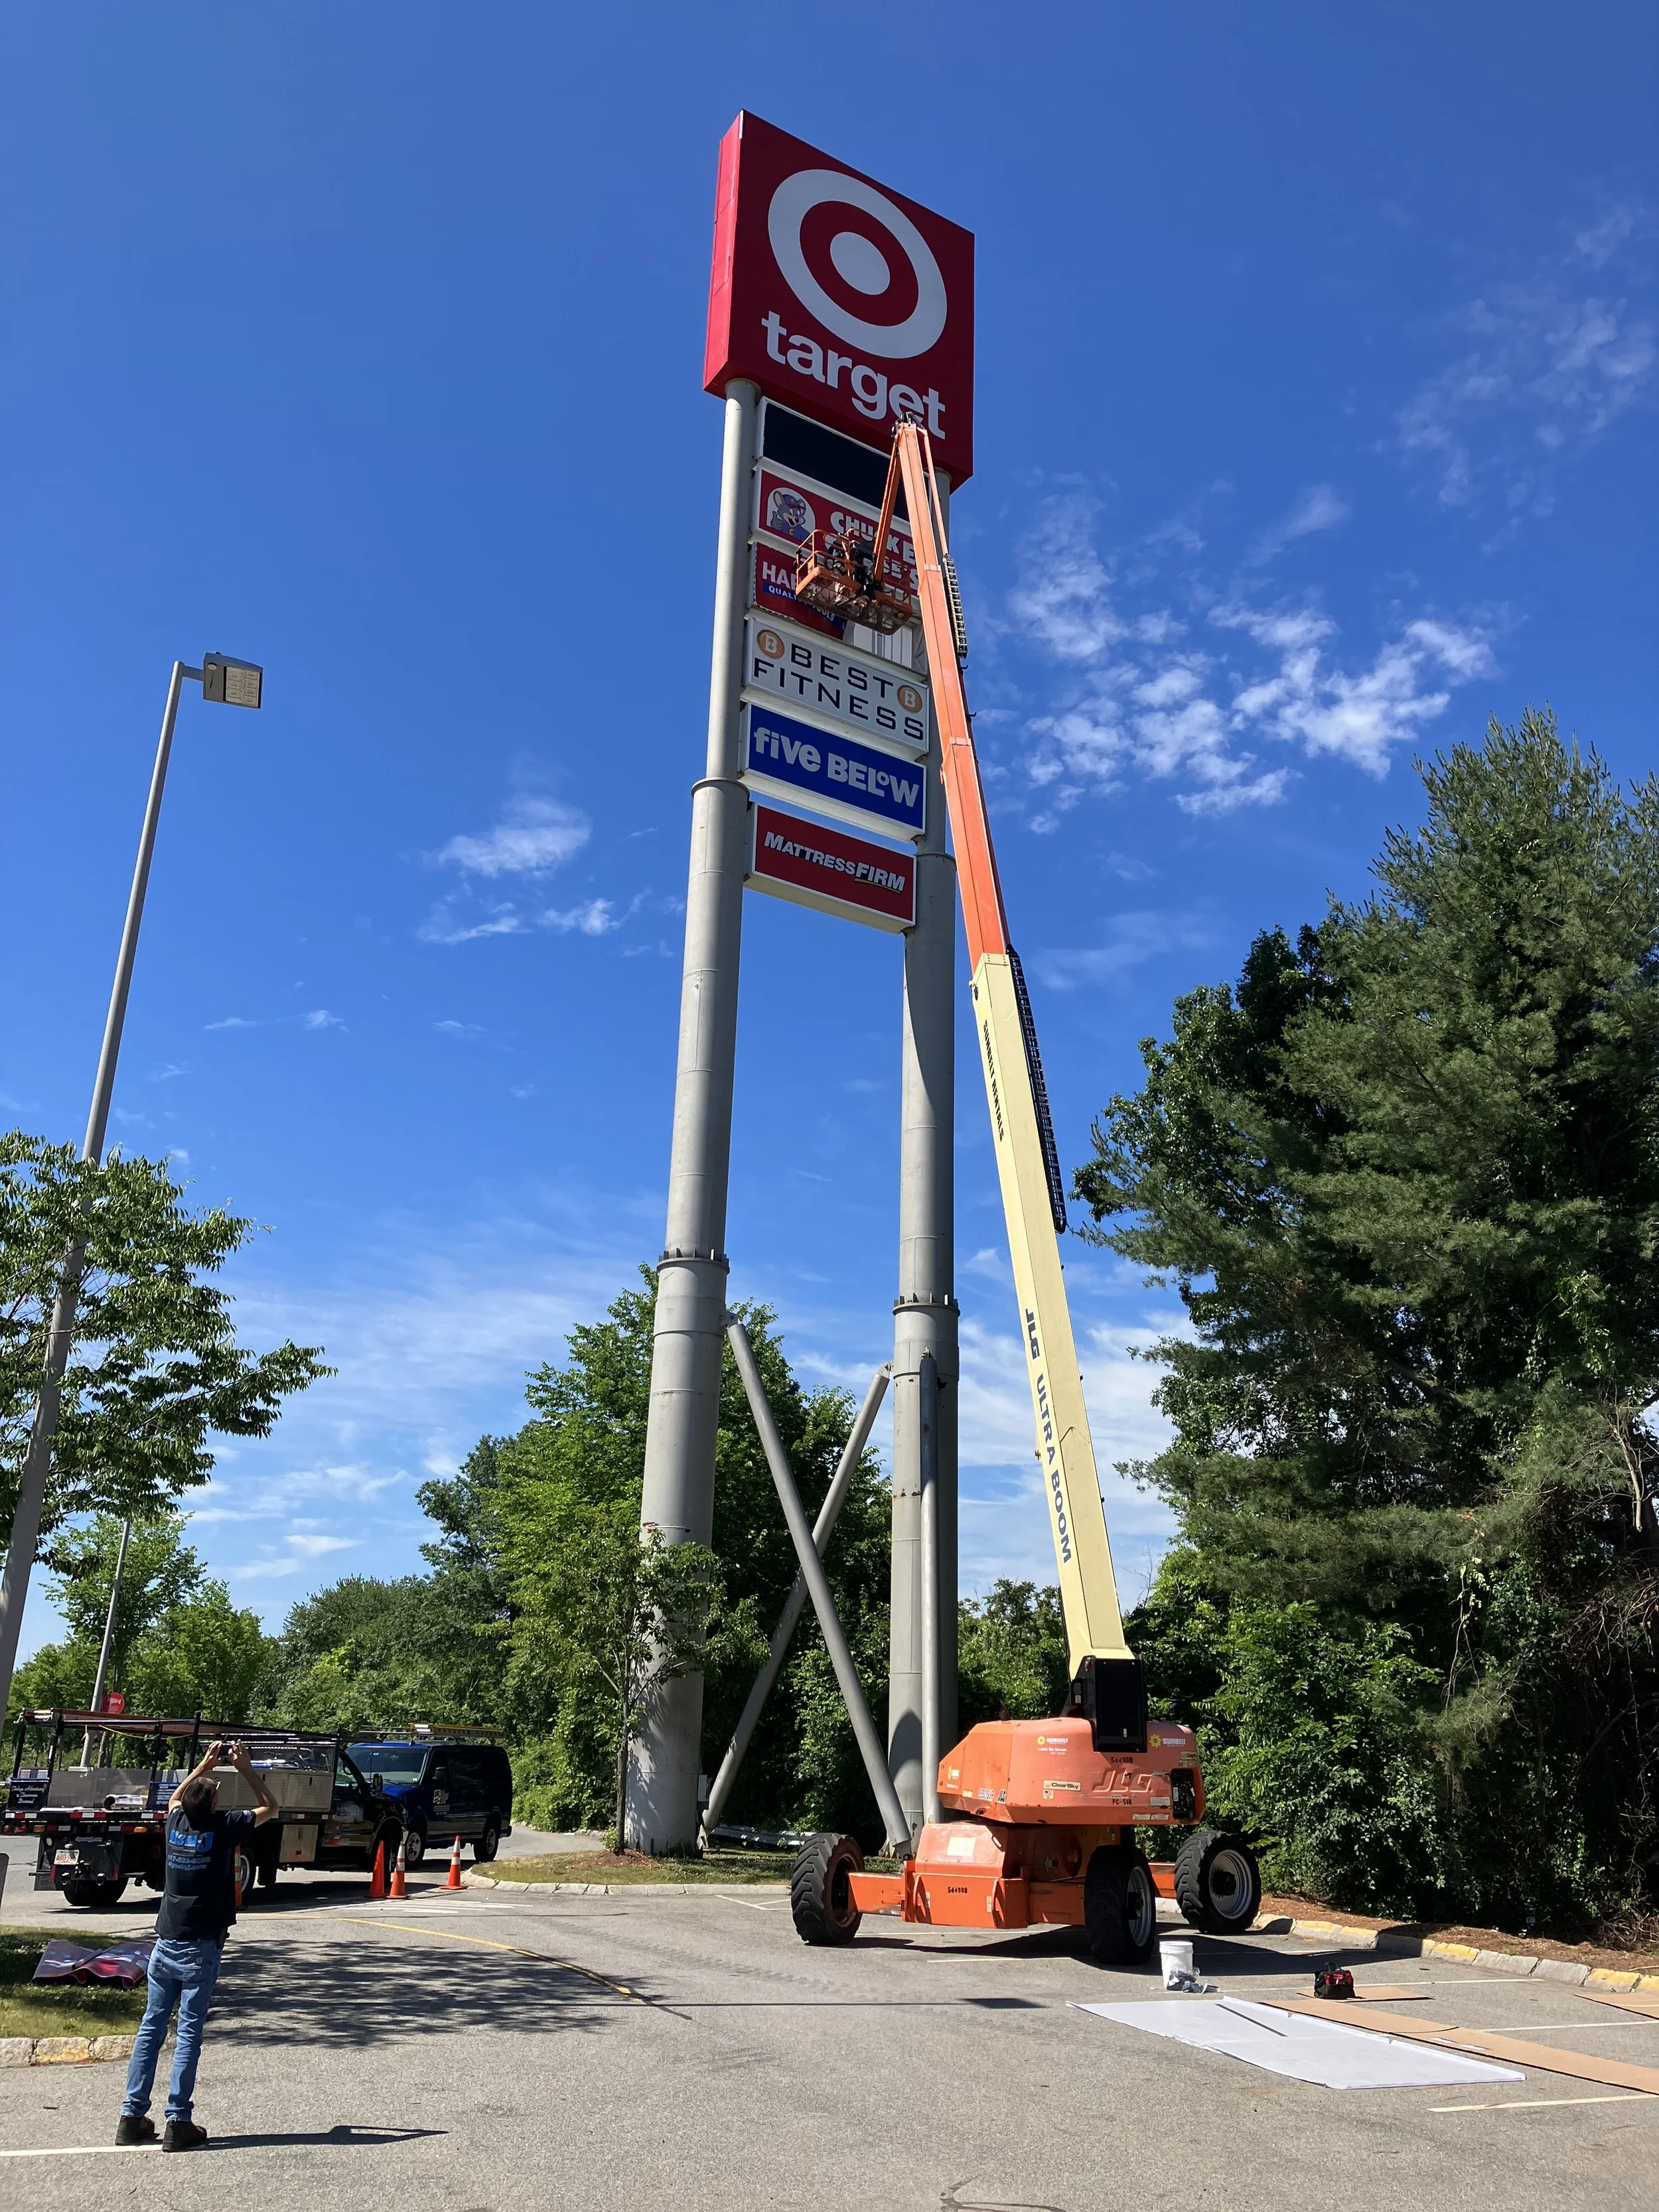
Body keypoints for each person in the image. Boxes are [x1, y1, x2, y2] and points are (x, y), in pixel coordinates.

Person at [115, 1737, 276, 2152]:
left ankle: (131, 2117)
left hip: (165, 1940)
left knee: (152, 2027)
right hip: (200, 1947)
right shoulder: (221, 1829)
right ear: (214, 1806)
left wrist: (203, 1765)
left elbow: (174, 1798)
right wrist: (244, 1768)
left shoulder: (175, 1824)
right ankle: (178, 2120)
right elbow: (271, 1808)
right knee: (188, 2033)